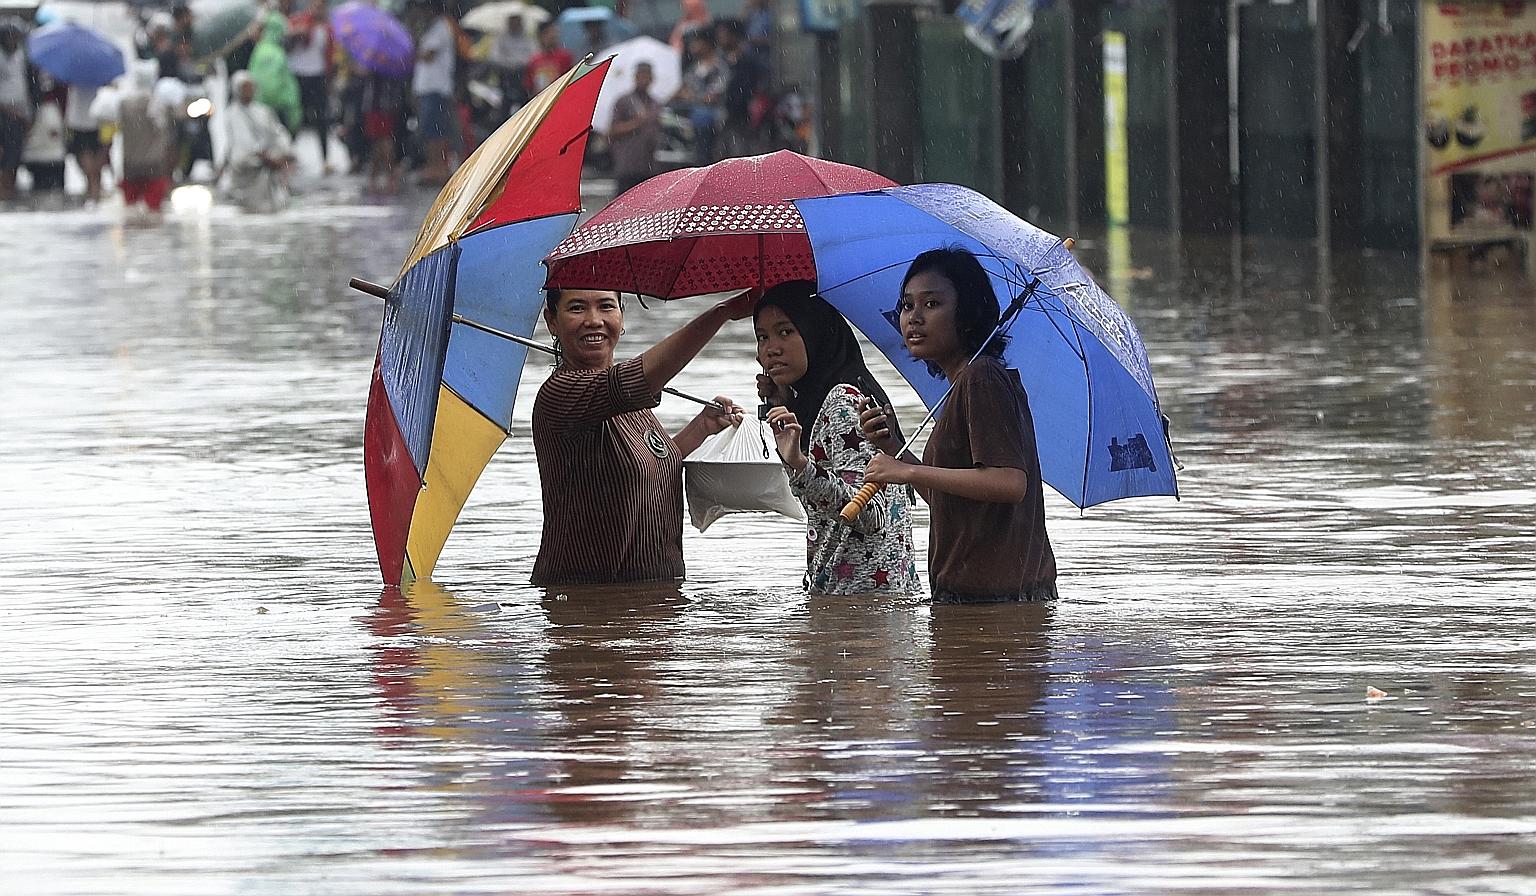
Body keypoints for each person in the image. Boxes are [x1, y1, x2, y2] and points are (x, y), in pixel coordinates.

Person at [860, 247, 1057, 604]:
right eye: (907, 305)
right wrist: (894, 448)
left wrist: (908, 473)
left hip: (996, 606)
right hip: (973, 599)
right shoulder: (965, 385)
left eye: (931, 304)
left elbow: (1009, 482)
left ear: (966, 313)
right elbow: (949, 502)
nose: (913, 318)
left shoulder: (982, 378)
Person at [531, 287, 754, 587]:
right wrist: (720, 313)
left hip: (653, 598)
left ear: (622, 317)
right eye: (577, 308)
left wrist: (701, 428)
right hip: (588, 603)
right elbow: (634, 380)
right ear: (552, 321)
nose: (594, 320)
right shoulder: (561, 394)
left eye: (606, 306)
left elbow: (653, 462)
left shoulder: (630, 403)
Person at [754, 281, 919, 596]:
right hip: (872, 603)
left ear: (816, 331)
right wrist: (783, 403)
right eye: (762, 337)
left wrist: (800, 466)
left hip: (860, 612)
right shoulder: (832, 395)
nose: (771, 348)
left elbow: (871, 513)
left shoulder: (843, 402)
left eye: (785, 331)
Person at [109, 62, 178, 213]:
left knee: (130, 209)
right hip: (153, 165)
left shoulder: (124, 104)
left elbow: (110, 121)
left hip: (130, 164)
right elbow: (162, 127)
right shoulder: (156, 104)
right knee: (153, 211)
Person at [222, 70, 294, 211]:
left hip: (269, 168)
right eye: (245, 88)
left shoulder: (263, 111)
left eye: (250, 88)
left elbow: (278, 133)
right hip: (246, 171)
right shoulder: (232, 114)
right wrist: (262, 156)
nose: (248, 92)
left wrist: (282, 152)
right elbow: (241, 143)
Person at [284, 0, 333, 172]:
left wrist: (329, 79)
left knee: (322, 119)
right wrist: (297, 34)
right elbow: (286, 44)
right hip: (299, 75)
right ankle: (288, 155)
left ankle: (325, 159)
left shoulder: (327, 28)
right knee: (296, 117)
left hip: (318, 76)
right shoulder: (299, 22)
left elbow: (329, 54)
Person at [412, 0, 456, 183]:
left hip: (436, 88)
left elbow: (428, 55)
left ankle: (439, 167)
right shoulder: (432, 29)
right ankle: (433, 166)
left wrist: (411, 48)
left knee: (435, 131)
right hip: (428, 89)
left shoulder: (441, 28)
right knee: (429, 130)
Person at [609, 61, 660, 194]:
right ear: (635, 77)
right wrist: (636, 123)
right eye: (641, 76)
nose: (644, 80)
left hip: (648, 165)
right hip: (627, 165)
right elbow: (613, 130)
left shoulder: (654, 104)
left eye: (647, 76)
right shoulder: (623, 101)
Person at [0, 17, 35, 202]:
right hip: (2, 114)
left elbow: (28, 89)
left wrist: (28, 115)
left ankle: (8, 190)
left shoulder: (23, 58)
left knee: (14, 156)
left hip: (19, 115)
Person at [675, 30, 723, 165]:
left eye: (696, 42)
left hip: (714, 119)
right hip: (691, 116)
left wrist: (693, 97)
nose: (692, 46)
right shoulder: (693, 68)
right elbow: (682, 89)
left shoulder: (719, 66)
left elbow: (714, 95)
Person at [65, 83, 106, 202]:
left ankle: (93, 189)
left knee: (88, 159)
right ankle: (94, 188)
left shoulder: (73, 75)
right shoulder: (99, 75)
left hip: (84, 121)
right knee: (91, 160)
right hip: (90, 121)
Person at [487, 12, 534, 117]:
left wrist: (518, 63)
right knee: (504, 108)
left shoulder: (527, 38)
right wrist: (511, 63)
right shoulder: (500, 38)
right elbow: (494, 57)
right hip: (505, 78)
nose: (515, 23)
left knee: (526, 107)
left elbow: (533, 55)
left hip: (523, 78)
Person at [524, 21, 572, 97]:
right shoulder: (534, 60)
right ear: (540, 36)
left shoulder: (564, 57)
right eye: (547, 34)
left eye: (553, 33)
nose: (552, 37)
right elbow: (530, 85)